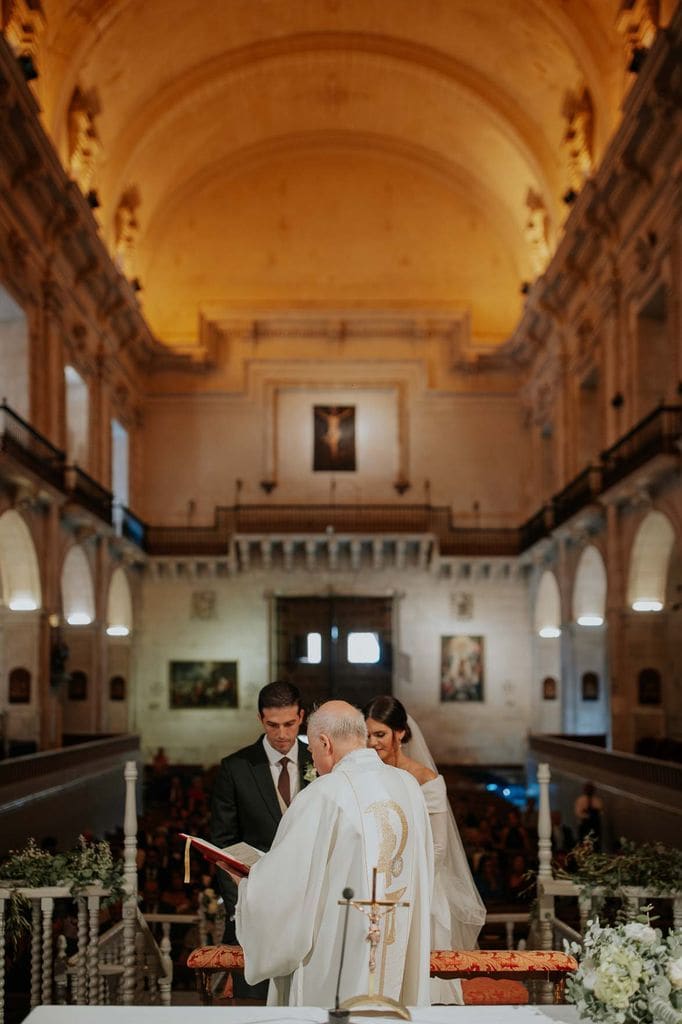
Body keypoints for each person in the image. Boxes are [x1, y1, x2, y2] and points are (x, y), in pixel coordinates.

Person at [230, 700, 434, 1008]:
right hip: (396, 934)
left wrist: (248, 882)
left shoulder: (323, 794)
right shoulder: (406, 786)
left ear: (325, 743)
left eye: (311, 750)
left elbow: (285, 890)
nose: (312, 757)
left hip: (339, 955)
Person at [364, 695, 485, 1005]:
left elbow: (438, 847)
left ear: (400, 733)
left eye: (380, 734)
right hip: (374, 889)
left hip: (421, 889)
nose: (372, 742)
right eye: (367, 735)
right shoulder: (366, 777)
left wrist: (401, 879)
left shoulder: (425, 780)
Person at [210, 680, 314, 998]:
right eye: (272, 725)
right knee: (253, 1002)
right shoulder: (235, 768)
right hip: (253, 910)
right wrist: (240, 906)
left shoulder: (321, 762)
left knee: (310, 1002)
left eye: (289, 724)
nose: (282, 734)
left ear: (301, 716)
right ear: (260, 719)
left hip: (310, 910)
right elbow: (224, 844)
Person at [574, 781, 604, 850]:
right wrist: (588, 815)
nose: (589, 790)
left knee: (596, 843)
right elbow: (578, 813)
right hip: (585, 825)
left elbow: (601, 812)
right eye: (588, 788)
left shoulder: (597, 800)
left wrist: (593, 813)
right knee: (584, 843)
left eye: (591, 789)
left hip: (595, 826)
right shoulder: (581, 800)